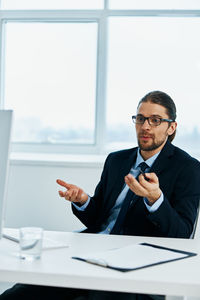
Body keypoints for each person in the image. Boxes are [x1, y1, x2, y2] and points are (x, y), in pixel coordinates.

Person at [1, 90, 200, 300]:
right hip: (90, 255)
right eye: (140, 119)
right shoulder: (117, 160)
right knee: (16, 296)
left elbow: (183, 235)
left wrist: (155, 200)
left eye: (155, 120)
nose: (145, 126)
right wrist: (83, 201)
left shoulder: (188, 169)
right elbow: (99, 219)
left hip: (136, 270)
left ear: (171, 127)